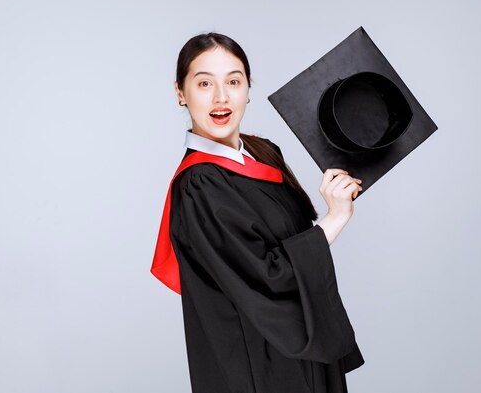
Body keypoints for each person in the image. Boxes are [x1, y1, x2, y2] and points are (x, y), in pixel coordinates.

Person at [152, 32, 365, 393]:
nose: (221, 97)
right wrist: (336, 218)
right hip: (260, 367)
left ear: (248, 88)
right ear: (180, 92)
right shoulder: (200, 185)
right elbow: (269, 275)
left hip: (304, 347)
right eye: (204, 83)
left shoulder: (263, 151)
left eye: (233, 81)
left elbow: (293, 241)